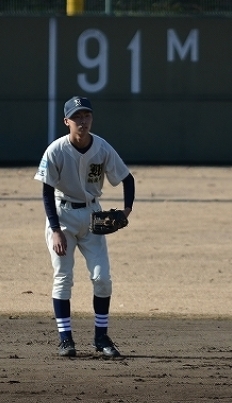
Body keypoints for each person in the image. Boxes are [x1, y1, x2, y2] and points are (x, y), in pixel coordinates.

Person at [34, 96, 135, 358]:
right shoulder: (55, 150)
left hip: (92, 215)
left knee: (102, 279)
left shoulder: (101, 147)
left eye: (86, 115)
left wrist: (126, 211)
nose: (83, 121)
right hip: (62, 215)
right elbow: (46, 192)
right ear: (66, 121)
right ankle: (65, 340)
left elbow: (127, 178)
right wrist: (55, 230)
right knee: (63, 277)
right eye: (77, 117)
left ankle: (101, 337)